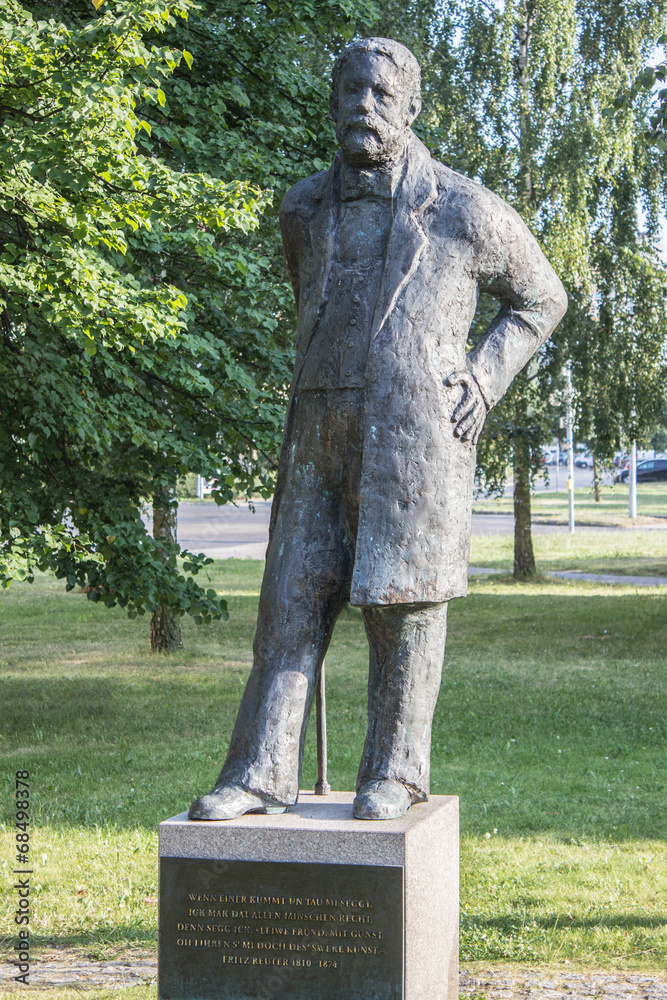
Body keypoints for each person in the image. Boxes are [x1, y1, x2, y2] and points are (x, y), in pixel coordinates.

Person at [189, 37, 567, 822]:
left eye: (383, 94)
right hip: (318, 426)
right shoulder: (300, 207)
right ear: (331, 105)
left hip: (414, 435)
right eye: (352, 91)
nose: (365, 105)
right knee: (290, 603)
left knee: (403, 609)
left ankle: (394, 772)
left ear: (412, 107)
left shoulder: (464, 207)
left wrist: (483, 377)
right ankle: (259, 774)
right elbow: (309, 303)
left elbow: (540, 298)